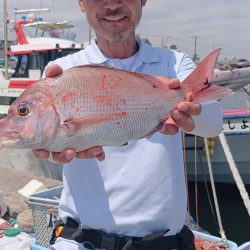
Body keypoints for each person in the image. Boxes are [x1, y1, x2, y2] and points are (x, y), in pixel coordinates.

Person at [33, 0, 223, 249]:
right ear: (81, 2)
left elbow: (213, 125)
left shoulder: (174, 64)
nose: (112, 4)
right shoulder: (63, 73)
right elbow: (49, 142)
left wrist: (187, 110)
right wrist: (51, 150)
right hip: (82, 242)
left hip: (165, 243)